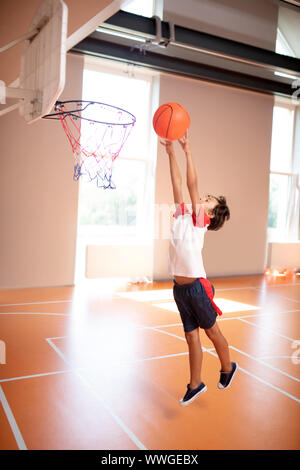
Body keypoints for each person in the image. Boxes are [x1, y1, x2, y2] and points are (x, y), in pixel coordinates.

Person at [160, 131, 238, 406]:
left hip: (196, 288)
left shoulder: (198, 221)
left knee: (212, 332)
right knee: (191, 337)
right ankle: (196, 384)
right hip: (180, 289)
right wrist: (170, 153)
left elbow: (192, 184)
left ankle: (228, 367)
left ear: (212, 214)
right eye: (204, 197)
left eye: (208, 200)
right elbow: (178, 183)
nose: (202, 198)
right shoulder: (183, 215)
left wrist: (188, 149)